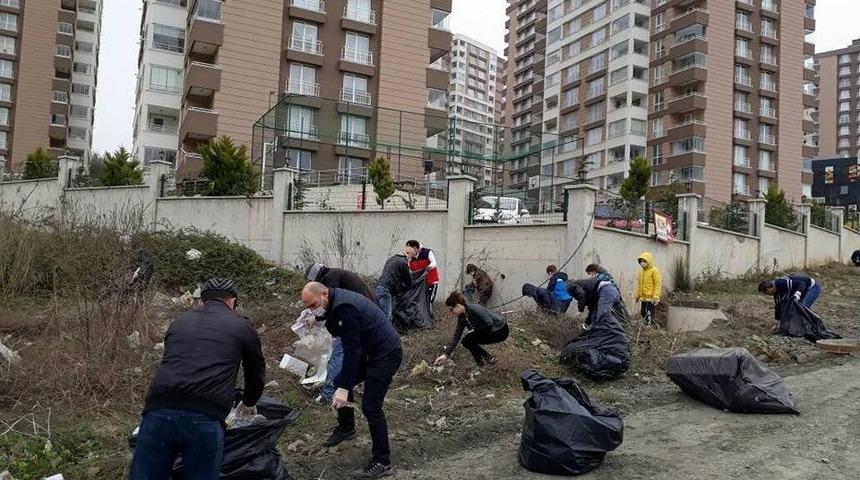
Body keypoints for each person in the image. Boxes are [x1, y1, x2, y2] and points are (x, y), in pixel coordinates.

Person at [130, 278, 266, 479]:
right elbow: (255, 371)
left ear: (201, 301)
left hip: (158, 410)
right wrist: (249, 401)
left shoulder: (180, 322)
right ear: (232, 301)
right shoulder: (241, 325)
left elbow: (172, 361)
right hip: (204, 416)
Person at [302, 282, 403, 479]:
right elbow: (333, 317)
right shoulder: (334, 299)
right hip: (372, 350)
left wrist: (343, 389)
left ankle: (382, 461)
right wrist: (318, 316)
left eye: (313, 305)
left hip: (386, 354)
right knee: (341, 379)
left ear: (324, 294)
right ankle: (347, 429)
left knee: (371, 407)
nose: (311, 309)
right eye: (307, 307)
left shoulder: (344, 309)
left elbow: (352, 351)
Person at [306, 263, 376, 405]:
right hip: (366, 314)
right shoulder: (334, 274)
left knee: (339, 353)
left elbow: (331, 304)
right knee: (356, 354)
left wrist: (319, 317)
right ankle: (352, 385)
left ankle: (328, 394)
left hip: (356, 317)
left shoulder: (331, 280)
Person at [434, 291, 509, 367]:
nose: (451, 313)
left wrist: (475, 332)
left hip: (501, 330)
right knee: (467, 341)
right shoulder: (462, 317)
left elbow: (489, 323)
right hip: (490, 331)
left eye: (451, 310)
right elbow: (457, 336)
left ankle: (487, 359)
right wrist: (446, 355)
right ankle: (482, 364)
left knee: (469, 339)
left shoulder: (473, 308)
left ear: (457, 306)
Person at [376, 248, 417, 321]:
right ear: (408, 254)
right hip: (386, 290)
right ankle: (385, 332)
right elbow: (409, 281)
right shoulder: (403, 262)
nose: (411, 260)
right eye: (412, 257)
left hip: (378, 288)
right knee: (386, 318)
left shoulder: (392, 258)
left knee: (380, 315)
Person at [406, 240, 440, 305]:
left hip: (431, 281)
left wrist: (429, 266)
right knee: (419, 301)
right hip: (419, 284)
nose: (408, 253)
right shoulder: (410, 258)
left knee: (429, 301)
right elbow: (408, 270)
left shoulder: (427, 252)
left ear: (415, 248)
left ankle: (429, 314)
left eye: (409, 250)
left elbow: (434, 262)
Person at [635, 252, 662, 325]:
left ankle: (651, 326)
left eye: (644, 261)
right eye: (641, 261)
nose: (642, 263)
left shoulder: (654, 271)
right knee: (643, 312)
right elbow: (639, 284)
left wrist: (656, 296)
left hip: (651, 298)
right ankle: (647, 324)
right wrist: (638, 295)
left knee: (650, 313)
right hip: (643, 298)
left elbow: (657, 284)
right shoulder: (641, 272)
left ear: (648, 261)